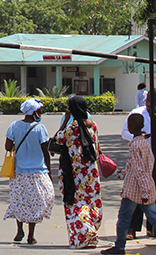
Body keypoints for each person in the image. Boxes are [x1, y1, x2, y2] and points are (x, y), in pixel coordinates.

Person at [100, 113, 156, 255]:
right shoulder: (144, 143)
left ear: (130, 127)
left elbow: (139, 170)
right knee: (155, 218)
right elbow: (142, 166)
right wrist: (122, 173)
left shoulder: (135, 146)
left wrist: (144, 190)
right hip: (145, 187)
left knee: (124, 219)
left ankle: (119, 247)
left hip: (134, 190)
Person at [3, 98, 54, 245]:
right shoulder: (40, 128)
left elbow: (7, 147)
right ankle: (31, 235)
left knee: (20, 201)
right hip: (37, 172)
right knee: (35, 202)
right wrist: (49, 171)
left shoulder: (14, 126)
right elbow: (45, 151)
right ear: (34, 112)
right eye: (39, 110)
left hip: (18, 171)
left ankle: (19, 230)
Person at [54, 95, 102, 249]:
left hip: (74, 173)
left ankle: (84, 236)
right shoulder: (93, 125)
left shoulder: (71, 128)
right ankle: (92, 231)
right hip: (91, 172)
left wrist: (64, 121)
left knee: (76, 204)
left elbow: (57, 140)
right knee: (91, 201)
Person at [120, 88, 156, 240]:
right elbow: (125, 132)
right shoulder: (137, 113)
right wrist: (138, 137)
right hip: (141, 152)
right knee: (137, 195)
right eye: (147, 101)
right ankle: (132, 228)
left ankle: (155, 230)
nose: (148, 105)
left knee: (154, 193)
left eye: (152, 103)